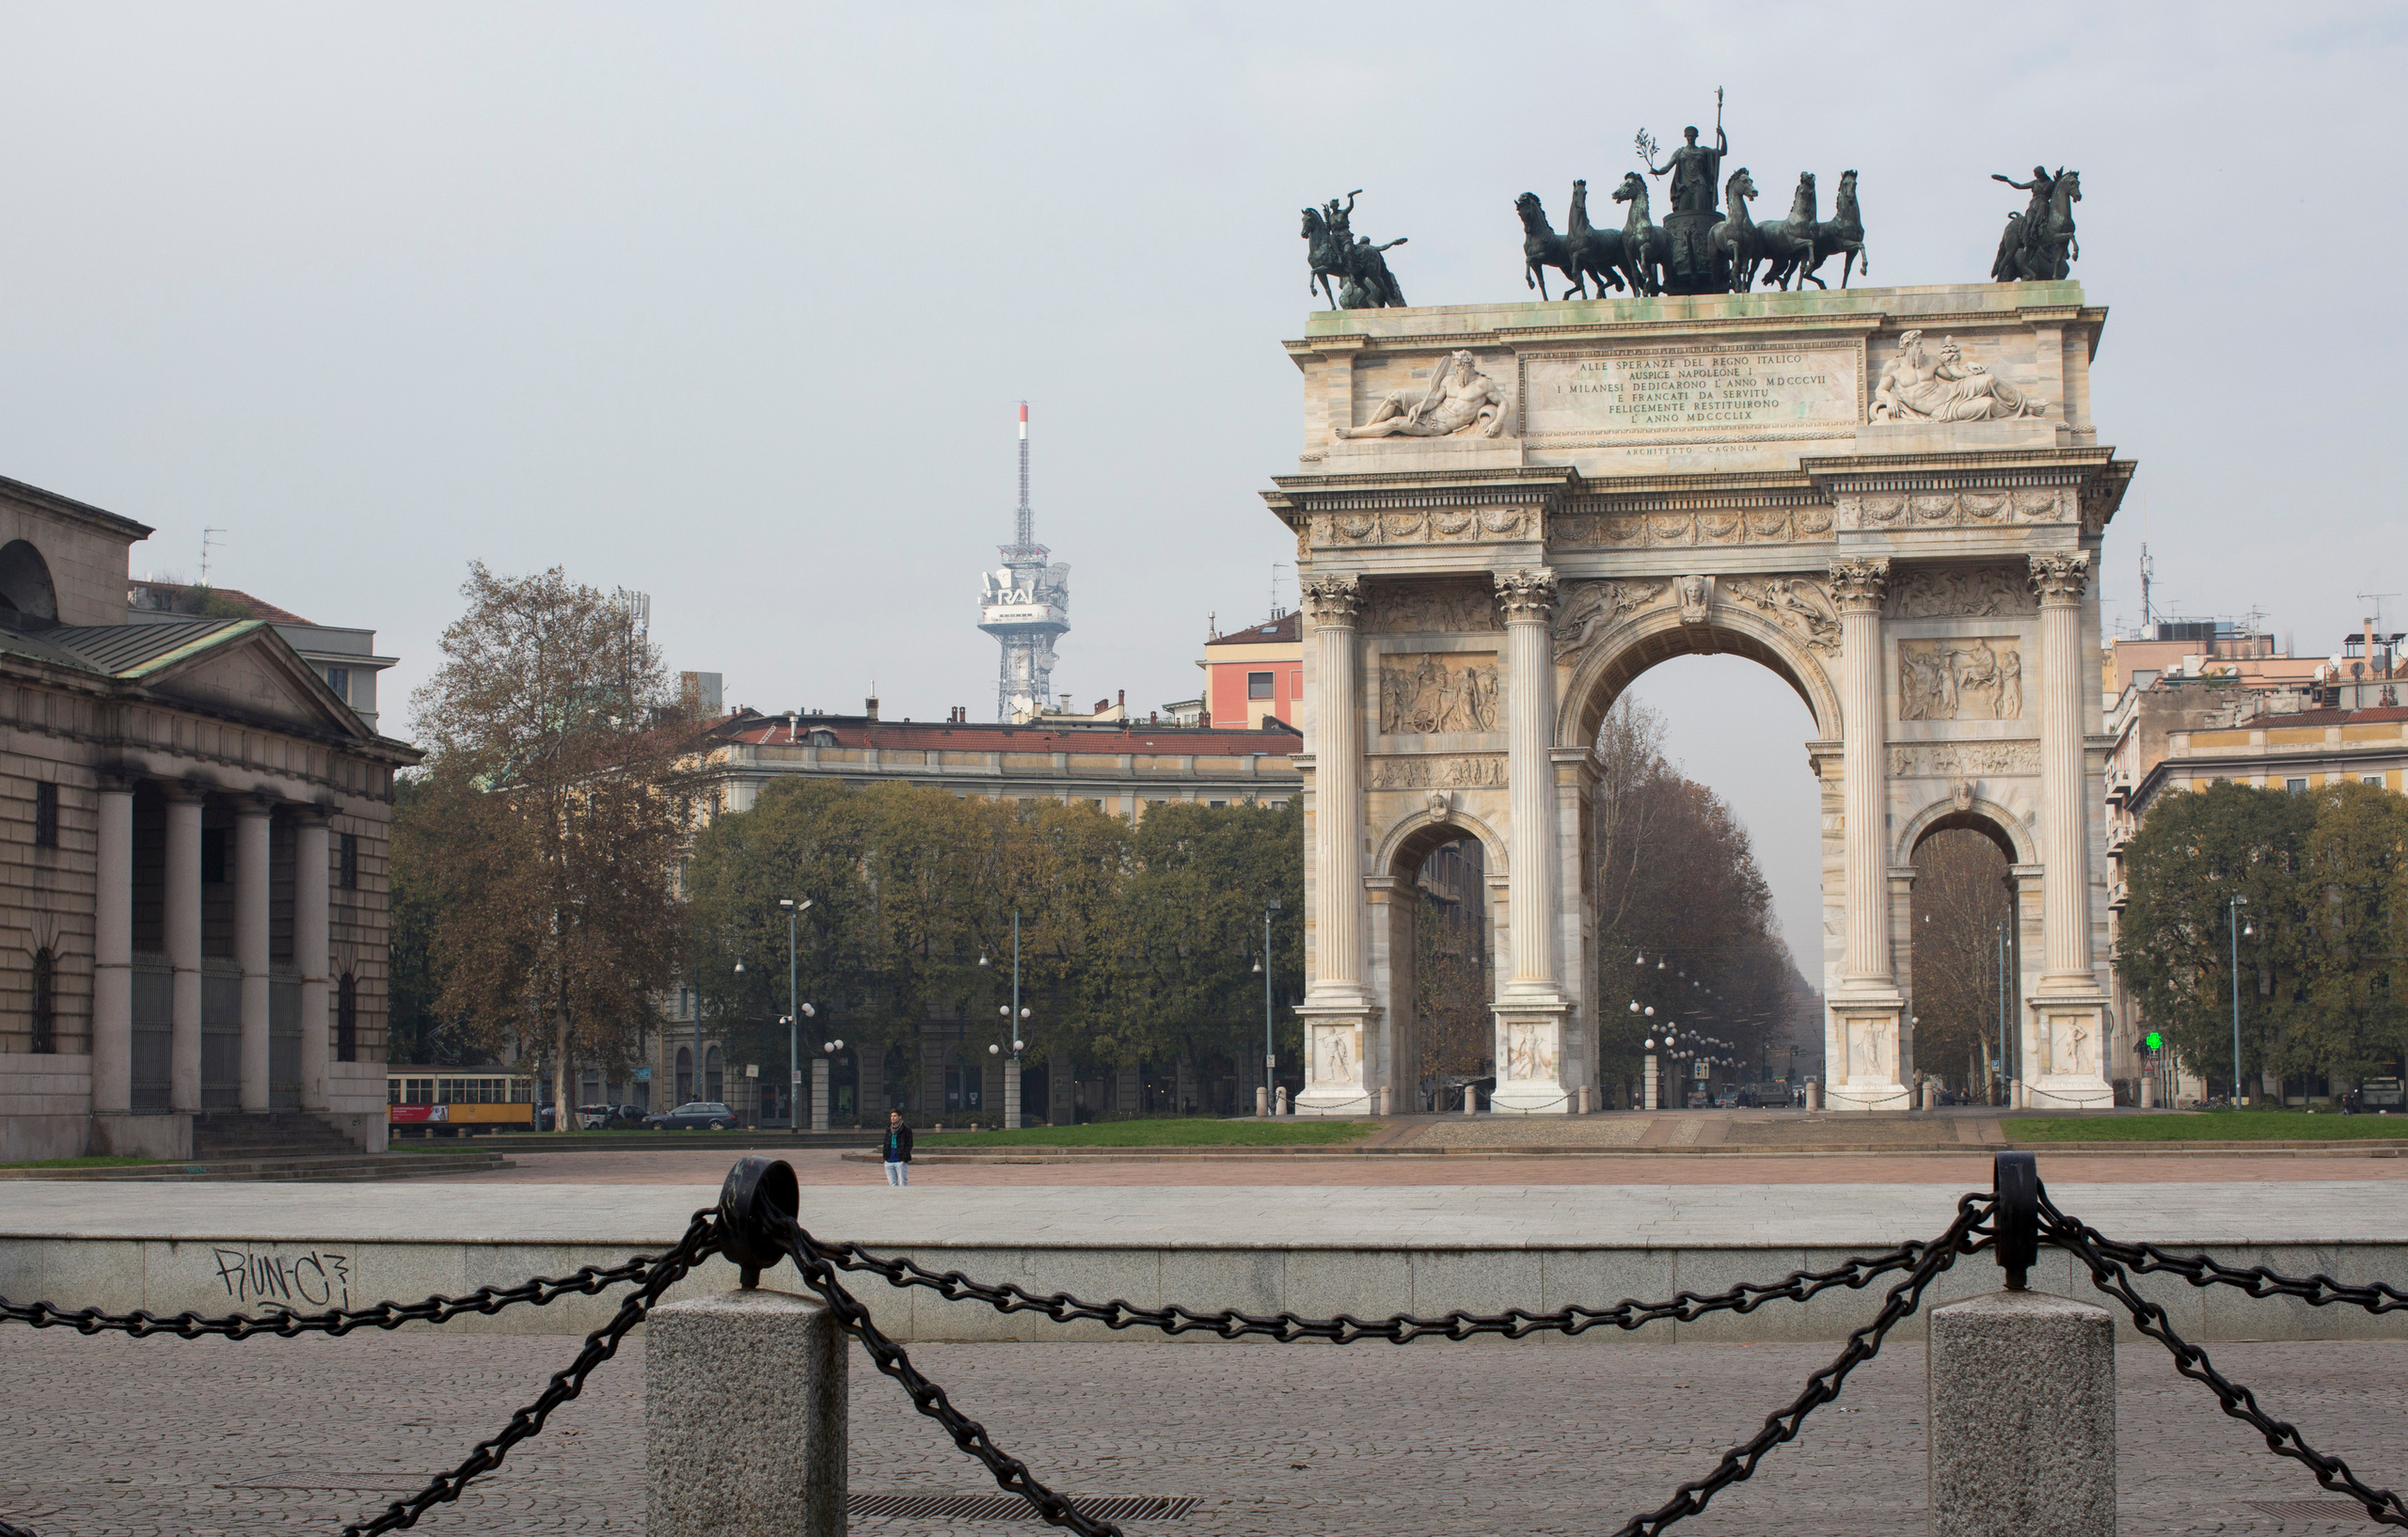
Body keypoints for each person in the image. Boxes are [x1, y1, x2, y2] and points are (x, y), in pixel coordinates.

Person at [880, 1108, 914, 1186]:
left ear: (900, 1117)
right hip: (889, 1160)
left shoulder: (906, 1129)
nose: (892, 1118)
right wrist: (885, 1159)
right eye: (891, 1116)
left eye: (895, 1116)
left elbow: (909, 1145)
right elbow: (886, 1144)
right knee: (892, 1184)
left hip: (900, 1159)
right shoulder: (889, 1129)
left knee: (903, 1183)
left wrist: (904, 1159)